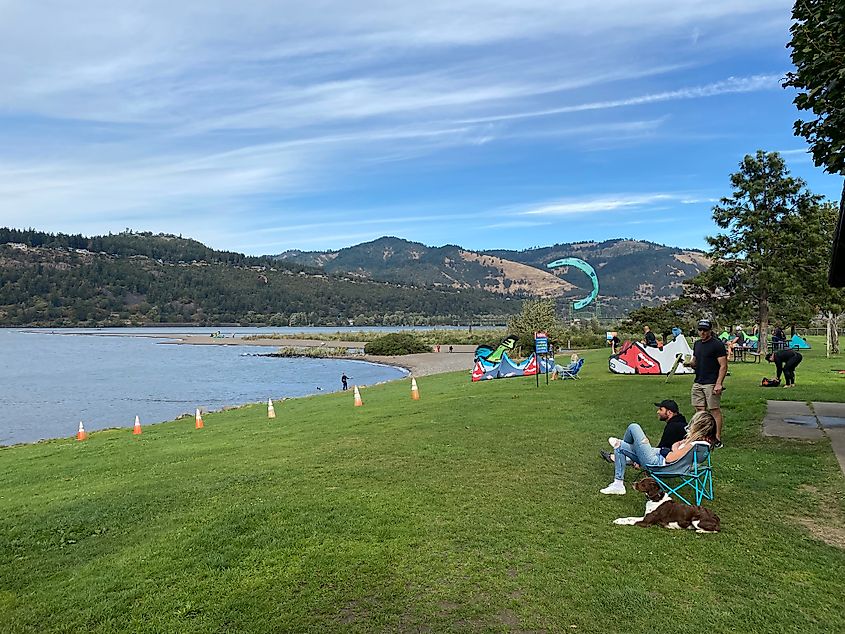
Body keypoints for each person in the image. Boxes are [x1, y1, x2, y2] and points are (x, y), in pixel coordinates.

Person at [600, 411, 717, 495]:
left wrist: (676, 447)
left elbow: (670, 458)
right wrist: (679, 445)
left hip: (657, 463)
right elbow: (677, 448)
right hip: (661, 458)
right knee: (621, 445)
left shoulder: (692, 445)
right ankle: (620, 475)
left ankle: (619, 481)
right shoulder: (703, 445)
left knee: (633, 428)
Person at [599, 399, 688, 465]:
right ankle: (620, 454)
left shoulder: (673, 427)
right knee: (639, 443)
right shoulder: (682, 424)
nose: (658, 412)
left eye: (661, 409)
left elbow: (662, 448)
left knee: (633, 428)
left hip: (663, 460)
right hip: (672, 459)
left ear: (669, 412)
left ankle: (620, 454)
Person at [685, 319, 727, 448]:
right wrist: (690, 363)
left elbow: (723, 366)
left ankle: (717, 438)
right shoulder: (697, 344)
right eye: (700, 330)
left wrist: (719, 383)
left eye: (705, 330)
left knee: (714, 410)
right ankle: (701, 435)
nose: (702, 332)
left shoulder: (717, 345)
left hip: (711, 382)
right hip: (698, 380)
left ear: (710, 331)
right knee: (699, 410)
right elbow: (695, 361)